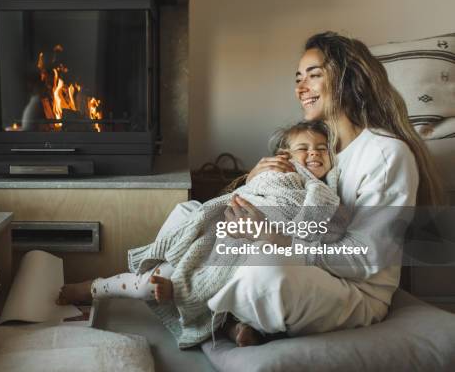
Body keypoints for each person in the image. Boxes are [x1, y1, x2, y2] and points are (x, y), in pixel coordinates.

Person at [214, 31, 444, 347]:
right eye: (298, 78)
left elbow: (365, 257)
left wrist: (273, 238)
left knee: (265, 275)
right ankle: (234, 317)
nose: (300, 87)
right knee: (198, 222)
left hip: (356, 289)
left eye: (313, 75)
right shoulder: (318, 149)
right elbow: (285, 202)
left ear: (346, 80)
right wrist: (252, 181)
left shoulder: (386, 154)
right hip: (307, 263)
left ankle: (230, 317)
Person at [58, 120, 346, 348]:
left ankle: (229, 324)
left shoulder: (324, 190)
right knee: (150, 283)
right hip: (225, 225)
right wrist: (252, 180)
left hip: (256, 240)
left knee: (234, 278)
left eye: (322, 149)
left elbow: (320, 225)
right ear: (284, 156)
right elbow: (241, 196)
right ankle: (95, 287)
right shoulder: (275, 173)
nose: (314, 153)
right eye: (304, 148)